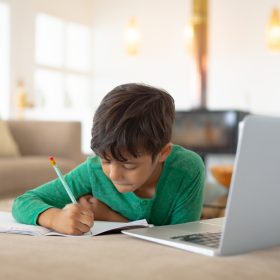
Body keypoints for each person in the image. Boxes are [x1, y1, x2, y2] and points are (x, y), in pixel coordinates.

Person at [12, 83, 205, 235]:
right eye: (105, 160)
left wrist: (110, 217)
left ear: (163, 153)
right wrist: (55, 218)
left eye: (128, 165)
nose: (113, 174)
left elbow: (181, 236)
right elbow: (23, 202)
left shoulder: (187, 168)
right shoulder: (93, 170)